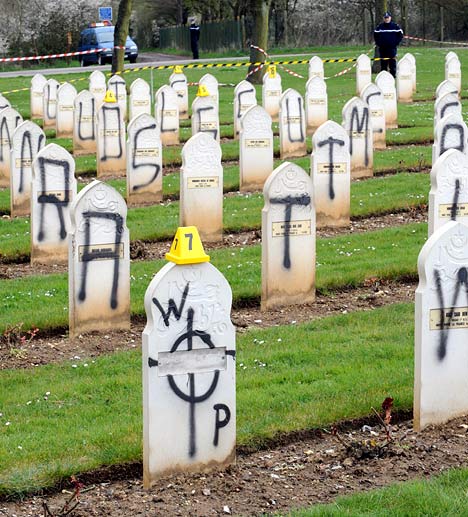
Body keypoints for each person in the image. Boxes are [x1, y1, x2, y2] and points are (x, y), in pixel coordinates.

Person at [374, 11, 403, 78]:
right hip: (383, 49)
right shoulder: (380, 27)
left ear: (390, 18)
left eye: (388, 18)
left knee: (392, 63)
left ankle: (393, 76)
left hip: (392, 48)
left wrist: (396, 43)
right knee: (383, 64)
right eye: (385, 18)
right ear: (383, 18)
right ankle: (383, 77)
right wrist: (379, 43)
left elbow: (400, 35)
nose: (386, 19)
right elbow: (375, 35)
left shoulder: (395, 26)